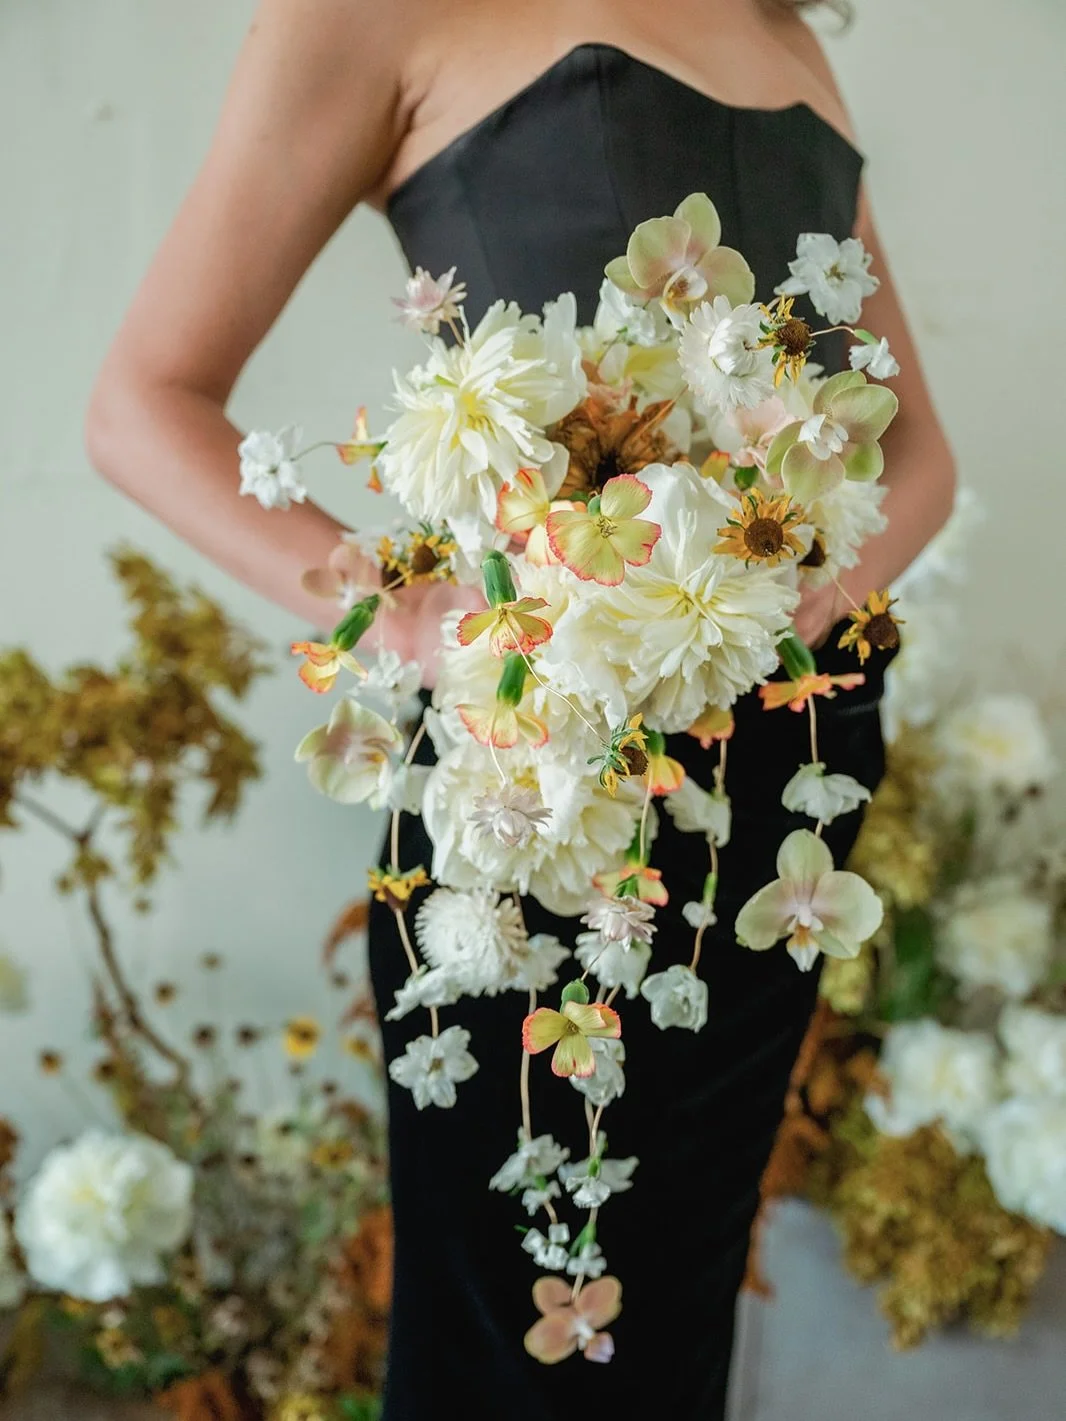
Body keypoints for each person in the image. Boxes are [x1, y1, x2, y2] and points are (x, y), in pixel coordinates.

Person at [86, 2, 956, 1415]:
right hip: (541, 788)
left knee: (676, 1298)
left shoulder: (780, 26)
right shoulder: (361, 14)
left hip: (787, 786)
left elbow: (914, 451)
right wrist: (419, 618)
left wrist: (776, 609)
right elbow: (142, 406)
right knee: (519, 1321)